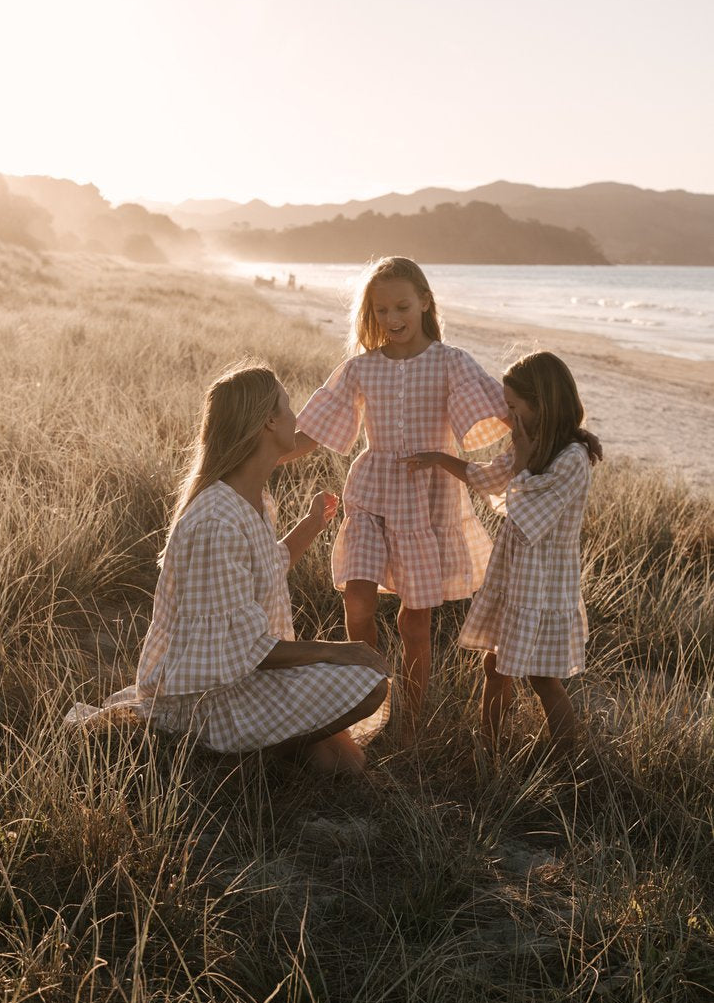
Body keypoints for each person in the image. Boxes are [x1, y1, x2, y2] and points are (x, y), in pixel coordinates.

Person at [69, 364, 391, 775]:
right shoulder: (215, 522)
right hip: (204, 700)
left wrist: (312, 523)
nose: (297, 417)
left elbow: (269, 567)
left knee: (346, 764)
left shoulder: (251, 499)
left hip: (239, 677)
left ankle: (276, 750)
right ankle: (227, 756)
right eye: (288, 406)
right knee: (368, 680)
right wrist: (339, 650)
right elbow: (245, 651)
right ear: (269, 422)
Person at [279, 256, 511, 742]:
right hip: (371, 490)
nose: (391, 318)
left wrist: (561, 437)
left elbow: (507, 412)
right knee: (358, 601)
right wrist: (258, 458)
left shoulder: (452, 362)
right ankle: (365, 704)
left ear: (425, 301)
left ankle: (413, 719)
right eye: (380, 310)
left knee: (415, 619)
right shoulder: (360, 369)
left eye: (401, 306)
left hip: (430, 498)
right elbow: (313, 432)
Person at [406, 351, 598, 756]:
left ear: (541, 403)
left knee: (542, 677)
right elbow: (489, 478)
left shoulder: (572, 459)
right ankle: (489, 748)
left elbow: (529, 517)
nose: (509, 417)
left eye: (512, 407)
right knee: (494, 665)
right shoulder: (527, 446)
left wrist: (525, 463)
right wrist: (440, 459)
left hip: (544, 583)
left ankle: (568, 758)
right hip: (514, 576)